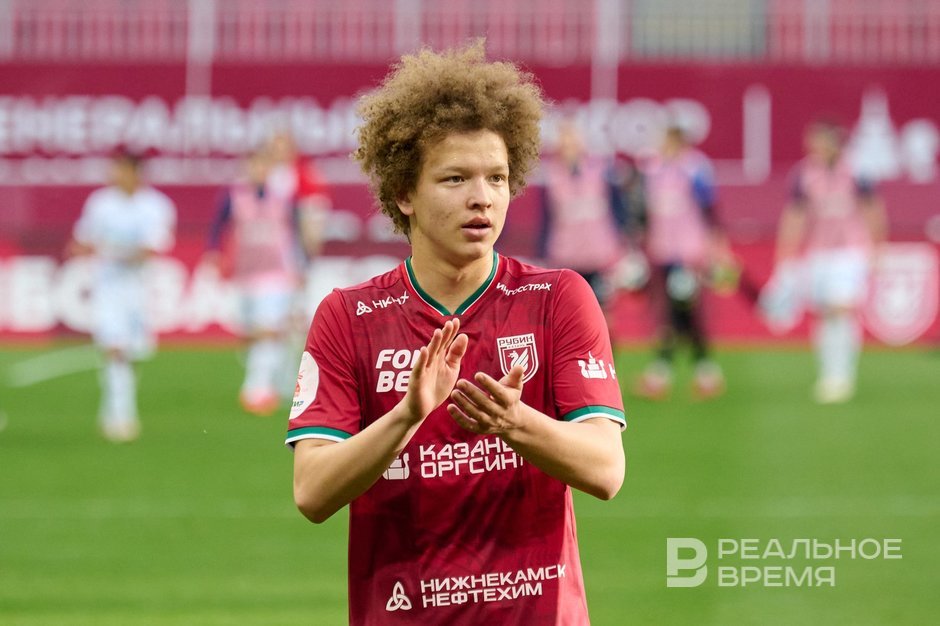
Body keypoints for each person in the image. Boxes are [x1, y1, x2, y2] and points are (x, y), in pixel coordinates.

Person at [287, 42, 626, 625]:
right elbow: (312, 493)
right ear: (404, 194)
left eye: (497, 178)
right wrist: (406, 417)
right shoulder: (348, 316)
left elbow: (606, 470)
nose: (482, 197)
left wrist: (512, 421)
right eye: (455, 178)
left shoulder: (558, 299)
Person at [772, 119, 887, 403]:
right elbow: (795, 215)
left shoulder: (857, 171)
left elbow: (873, 210)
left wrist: (878, 248)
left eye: (820, 142)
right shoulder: (804, 174)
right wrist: (786, 253)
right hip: (819, 251)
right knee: (825, 314)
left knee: (841, 308)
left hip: (850, 250)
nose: (815, 148)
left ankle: (842, 375)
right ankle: (828, 373)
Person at [68, 149, 176, 442]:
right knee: (114, 347)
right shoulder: (100, 203)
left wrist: (112, 250)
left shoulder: (155, 206)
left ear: (135, 172)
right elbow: (82, 240)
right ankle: (122, 415)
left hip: (140, 289)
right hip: (108, 288)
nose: (114, 175)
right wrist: (87, 249)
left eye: (121, 169)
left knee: (131, 352)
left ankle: (113, 408)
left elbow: (151, 249)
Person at [204, 145, 307, 415]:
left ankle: (257, 389)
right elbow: (217, 226)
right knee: (251, 332)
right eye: (255, 165)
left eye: (264, 165)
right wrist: (213, 253)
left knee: (268, 326)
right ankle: (276, 380)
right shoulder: (233, 196)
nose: (260, 170)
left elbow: (295, 231)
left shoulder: (283, 197)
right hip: (244, 274)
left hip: (276, 273)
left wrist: (300, 266)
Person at [631, 125, 730, 400]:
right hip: (662, 251)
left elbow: (709, 209)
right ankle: (701, 372)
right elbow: (645, 210)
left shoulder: (695, 168)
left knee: (682, 311)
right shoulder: (653, 170)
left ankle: (668, 372)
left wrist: (716, 247)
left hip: (688, 252)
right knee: (676, 313)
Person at [538, 117, 625, 307]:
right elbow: (546, 218)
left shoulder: (600, 171)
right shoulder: (552, 176)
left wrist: (621, 240)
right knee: (572, 306)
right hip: (566, 253)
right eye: (565, 141)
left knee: (602, 304)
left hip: (599, 252)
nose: (569, 146)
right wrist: (543, 250)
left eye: (573, 141)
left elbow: (617, 208)